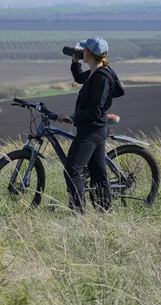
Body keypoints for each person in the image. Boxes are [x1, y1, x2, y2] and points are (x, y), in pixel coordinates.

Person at [57, 36, 125, 213]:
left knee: (73, 171)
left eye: (84, 50)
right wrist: (75, 62)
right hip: (94, 127)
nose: (81, 52)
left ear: (92, 54)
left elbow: (96, 109)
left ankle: (78, 214)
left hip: (92, 130)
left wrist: (72, 119)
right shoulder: (95, 71)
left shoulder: (102, 77)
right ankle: (104, 211)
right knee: (98, 173)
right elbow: (80, 78)